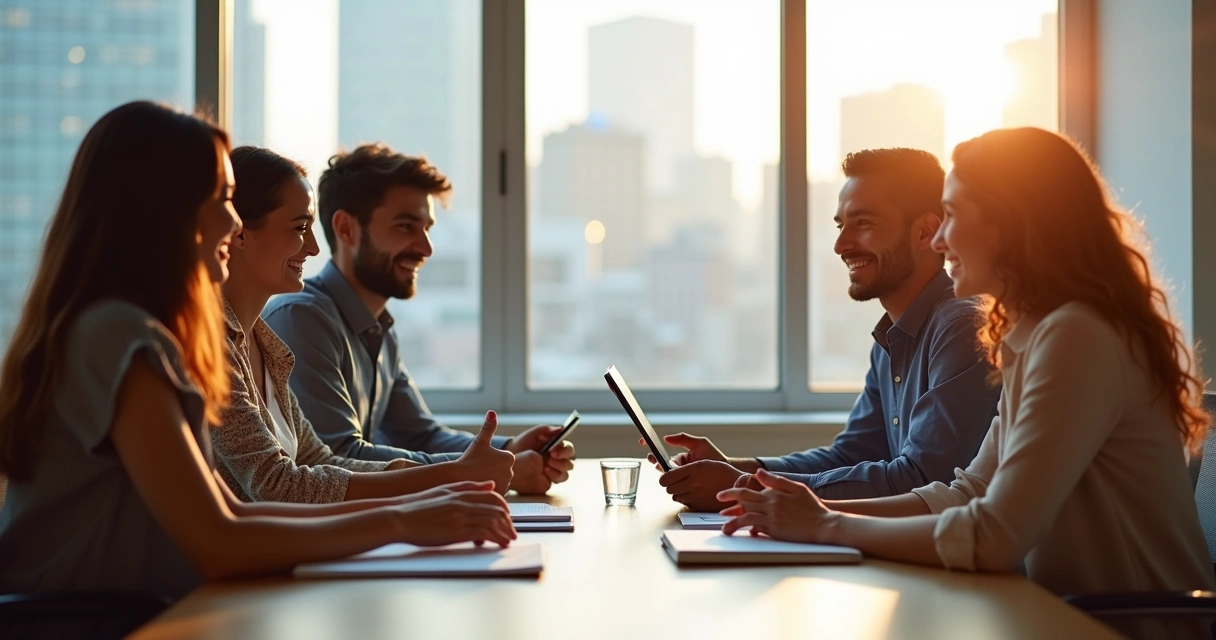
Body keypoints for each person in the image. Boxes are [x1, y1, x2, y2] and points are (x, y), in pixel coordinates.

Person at [0, 103, 515, 618]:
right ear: (163, 206)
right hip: (76, 622)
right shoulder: (118, 333)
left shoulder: (149, 331)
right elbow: (221, 540)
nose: (232, 219)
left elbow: (240, 511)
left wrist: (418, 503)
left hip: (135, 612)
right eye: (223, 199)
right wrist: (406, 518)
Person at [718, 128, 1214, 638]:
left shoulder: (1079, 336)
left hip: (1128, 628)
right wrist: (815, 510)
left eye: (952, 215)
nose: (938, 239)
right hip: (1057, 617)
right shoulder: (1033, 336)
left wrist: (824, 526)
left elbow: (993, 535)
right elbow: (967, 492)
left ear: (1009, 222)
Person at [650, 149, 999, 510]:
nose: (840, 245)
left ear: (925, 231)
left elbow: (924, 480)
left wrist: (747, 486)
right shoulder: (891, 339)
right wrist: (739, 468)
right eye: (840, 225)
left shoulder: (962, 328)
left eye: (863, 224)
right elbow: (850, 456)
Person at [262, 143, 574, 495]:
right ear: (346, 229)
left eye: (426, 228)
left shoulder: (379, 328)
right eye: (406, 226)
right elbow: (336, 458)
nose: (425, 248)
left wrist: (507, 451)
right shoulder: (302, 319)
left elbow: (419, 433)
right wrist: (479, 471)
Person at [213, 146, 514, 502]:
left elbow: (319, 459)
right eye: (300, 228)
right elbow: (277, 484)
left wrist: (466, 469)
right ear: (238, 231)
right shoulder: (217, 344)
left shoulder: (267, 346)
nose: (312, 247)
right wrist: (451, 475)